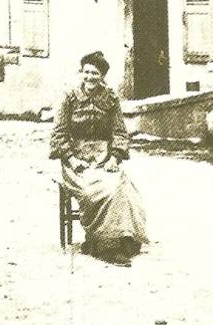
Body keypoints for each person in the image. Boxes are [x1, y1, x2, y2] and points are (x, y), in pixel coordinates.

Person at [49, 51, 148, 266]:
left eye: (95, 73)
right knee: (98, 189)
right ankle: (106, 245)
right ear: (81, 73)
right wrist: (72, 160)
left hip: (104, 157)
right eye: (86, 72)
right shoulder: (69, 97)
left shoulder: (110, 98)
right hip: (77, 160)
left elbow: (120, 132)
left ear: (102, 76)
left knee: (121, 185)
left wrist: (115, 157)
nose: (89, 77)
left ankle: (117, 239)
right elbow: (58, 134)